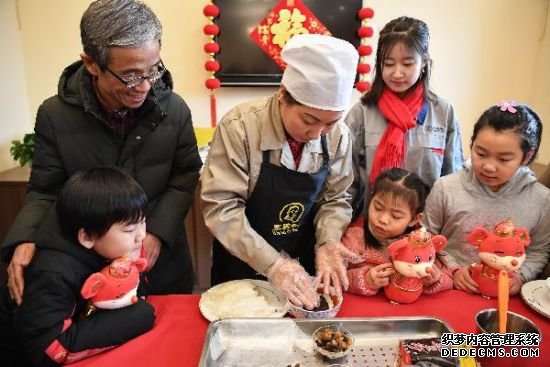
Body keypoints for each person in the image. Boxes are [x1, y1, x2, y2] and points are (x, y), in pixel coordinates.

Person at [1, 0, 202, 303]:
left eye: (153, 70)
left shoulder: (173, 110)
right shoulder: (55, 115)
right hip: (90, 269)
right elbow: (46, 189)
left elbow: (185, 174)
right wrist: (26, 237)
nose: (145, 86)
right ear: (91, 63)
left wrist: (157, 232)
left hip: (160, 263)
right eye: (131, 75)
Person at [201, 34, 362, 310]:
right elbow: (222, 208)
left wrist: (328, 240)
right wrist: (273, 264)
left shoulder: (340, 136)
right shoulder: (240, 127)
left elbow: (335, 198)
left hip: (302, 260)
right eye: (309, 120)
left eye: (331, 122)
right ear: (283, 95)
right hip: (242, 258)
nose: (317, 134)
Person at [0, 167, 155, 366]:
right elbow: (46, 349)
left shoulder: (108, 248)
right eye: (130, 229)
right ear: (87, 237)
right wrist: (137, 317)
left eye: (143, 222)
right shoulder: (53, 274)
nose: (141, 236)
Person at [422, 100, 550, 296]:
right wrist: (453, 269)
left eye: (503, 159)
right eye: (480, 153)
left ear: (526, 156)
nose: (489, 166)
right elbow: (427, 239)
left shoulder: (541, 199)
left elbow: (539, 251)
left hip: (504, 298)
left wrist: (520, 276)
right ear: (472, 143)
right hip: (449, 290)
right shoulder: (446, 188)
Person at [345, 16, 464, 218]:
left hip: (424, 229)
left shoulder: (443, 112)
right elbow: (346, 182)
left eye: (407, 63)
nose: (397, 73)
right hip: (372, 224)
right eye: (388, 63)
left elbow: (452, 180)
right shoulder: (362, 112)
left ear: (424, 62)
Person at [342, 168, 452, 296]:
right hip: (367, 311)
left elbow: (449, 280)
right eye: (378, 208)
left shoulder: (423, 244)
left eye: (396, 216)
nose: (383, 219)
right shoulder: (352, 238)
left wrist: (436, 280)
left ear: (414, 219)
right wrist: (365, 279)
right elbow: (337, 277)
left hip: (408, 312)